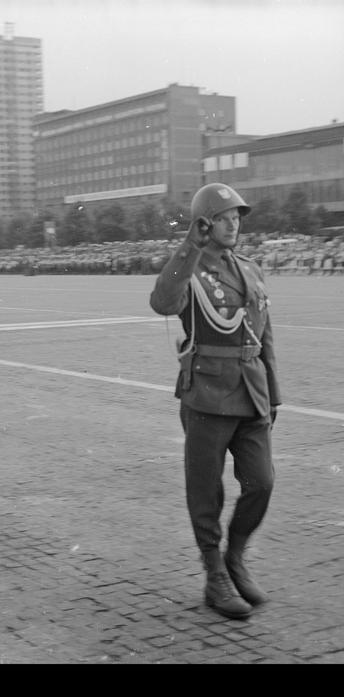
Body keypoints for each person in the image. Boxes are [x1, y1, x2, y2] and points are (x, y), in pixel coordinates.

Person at [149, 183, 281, 621]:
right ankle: (214, 575)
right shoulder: (192, 268)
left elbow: (264, 337)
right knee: (206, 492)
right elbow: (162, 301)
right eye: (224, 217)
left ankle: (235, 558)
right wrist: (190, 244)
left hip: (251, 390)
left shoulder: (250, 268)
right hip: (207, 394)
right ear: (206, 222)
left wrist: (273, 393)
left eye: (237, 216)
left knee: (261, 482)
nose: (234, 224)